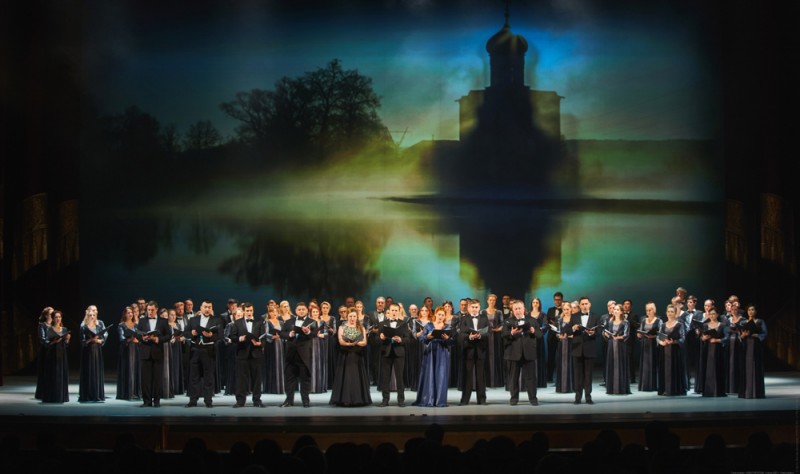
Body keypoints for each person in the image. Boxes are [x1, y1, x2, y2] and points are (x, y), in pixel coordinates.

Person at [503, 299, 543, 406]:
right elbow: (503, 336)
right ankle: (514, 399)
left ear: (524, 309)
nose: (518, 311)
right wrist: (512, 333)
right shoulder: (508, 321)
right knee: (513, 378)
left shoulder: (532, 320)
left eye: (519, 308)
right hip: (513, 353)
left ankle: (533, 399)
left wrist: (533, 331)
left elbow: (540, 335)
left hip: (529, 353)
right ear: (512, 310)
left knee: (531, 378)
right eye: (515, 309)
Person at [329, 307, 371, 407]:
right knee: (346, 377)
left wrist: (356, 342)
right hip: (345, 355)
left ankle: (358, 399)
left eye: (354, 316)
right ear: (347, 317)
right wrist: (349, 344)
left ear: (357, 317)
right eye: (350, 316)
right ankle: (344, 399)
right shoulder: (342, 327)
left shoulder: (361, 327)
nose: (352, 318)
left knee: (357, 377)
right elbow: (341, 341)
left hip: (357, 355)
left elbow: (364, 342)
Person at [414, 306, 454, 407]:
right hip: (430, 352)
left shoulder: (447, 327)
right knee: (429, 375)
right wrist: (427, 337)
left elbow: (452, 342)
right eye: (439, 314)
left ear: (445, 316)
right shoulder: (429, 325)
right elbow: (421, 338)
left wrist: (447, 338)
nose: (440, 316)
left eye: (443, 315)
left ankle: (439, 400)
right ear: (435, 314)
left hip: (442, 352)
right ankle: (429, 399)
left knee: (440, 375)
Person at [186, 299, 223, 408]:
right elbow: (185, 333)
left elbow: (220, 336)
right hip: (195, 350)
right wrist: (191, 333)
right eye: (205, 307)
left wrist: (211, 335)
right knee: (194, 377)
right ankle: (193, 400)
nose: (207, 309)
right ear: (201, 308)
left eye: (209, 307)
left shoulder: (216, 320)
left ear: (211, 308)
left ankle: (208, 400)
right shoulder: (193, 320)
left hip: (208, 351)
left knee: (209, 377)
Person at [229, 302, 266, 408]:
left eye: (251, 310)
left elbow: (263, 338)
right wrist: (241, 338)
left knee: (257, 379)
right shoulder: (237, 322)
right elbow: (233, 337)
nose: (249, 312)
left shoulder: (259, 323)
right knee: (241, 379)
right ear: (244, 311)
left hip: (256, 354)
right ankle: (240, 401)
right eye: (247, 310)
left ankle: (257, 400)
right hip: (242, 354)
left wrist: (260, 343)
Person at [281, 302, 316, 407]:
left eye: (303, 309)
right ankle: (289, 400)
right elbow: (282, 333)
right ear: (296, 311)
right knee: (289, 378)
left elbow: (314, 335)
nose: (301, 311)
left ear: (307, 311)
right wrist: (289, 334)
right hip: (291, 354)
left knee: (305, 379)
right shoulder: (288, 321)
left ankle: (305, 401)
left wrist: (307, 332)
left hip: (304, 355)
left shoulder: (312, 322)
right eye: (299, 309)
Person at [566, 296, 599, 404]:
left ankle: (588, 397)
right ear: (579, 306)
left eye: (586, 304)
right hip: (577, 349)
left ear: (590, 305)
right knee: (577, 375)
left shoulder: (595, 316)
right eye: (582, 304)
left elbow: (599, 330)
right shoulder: (574, 316)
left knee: (588, 375)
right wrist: (573, 328)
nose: (584, 306)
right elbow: (568, 330)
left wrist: (594, 333)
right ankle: (577, 397)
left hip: (589, 348)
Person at [136, 301, 169, 407]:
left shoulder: (163, 321)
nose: (150, 312)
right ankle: (147, 401)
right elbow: (137, 334)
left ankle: (157, 401)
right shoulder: (141, 321)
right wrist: (142, 338)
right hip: (145, 353)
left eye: (152, 310)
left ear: (156, 310)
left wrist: (158, 339)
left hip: (157, 352)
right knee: (145, 379)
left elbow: (168, 336)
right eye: (148, 310)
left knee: (157, 378)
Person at [377, 303, 410, 407]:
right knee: (385, 378)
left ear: (399, 311)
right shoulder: (382, 323)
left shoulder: (403, 324)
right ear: (389, 311)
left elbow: (408, 339)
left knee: (400, 378)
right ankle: (385, 400)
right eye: (392, 310)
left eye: (396, 310)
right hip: (386, 352)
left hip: (399, 352)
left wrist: (401, 340)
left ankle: (401, 400)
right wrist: (381, 338)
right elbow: (376, 339)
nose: (394, 312)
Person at [458, 299, 489, 405]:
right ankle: (465, 400)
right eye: (472, 307)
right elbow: (461, 334)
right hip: (469, 350)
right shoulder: (464, 319)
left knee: (480, 375)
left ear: (479, 307)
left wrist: (480, 335)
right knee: (467, 375)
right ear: (469, 307)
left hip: (481, 349)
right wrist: (469, 337)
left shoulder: (484, 319)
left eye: (476, 307)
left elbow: (488, 333)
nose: (474, 309)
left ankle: (482, 399)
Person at [78, 305, 108, 403]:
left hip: (97, 351)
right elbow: (82, 342)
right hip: (87, 351)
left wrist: (98, 341)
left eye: (94, 315)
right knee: (88, 371)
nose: (92, 316)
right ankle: (87, 394)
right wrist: (91, 339)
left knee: (96, 371)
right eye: (90, 315)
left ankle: (97, 394)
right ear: (87, 315)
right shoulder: (83, 326)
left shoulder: (99, 325)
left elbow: (103, 338)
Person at [41, 310, 71, 403]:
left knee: (61, 373)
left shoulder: (64, 329)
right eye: (56, 317)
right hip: (52, 354)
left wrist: (67, 340)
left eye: (59, 317)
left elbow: (66, 344)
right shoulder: (49, 329)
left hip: (62, 354)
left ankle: (61, 396)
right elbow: (46, 342)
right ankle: (52, 396)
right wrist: (54, 341)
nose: (58, 319)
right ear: (53, 318)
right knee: (53, 374)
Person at [738, 304, 767, 399]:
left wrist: (757, 335)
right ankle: (745, 392)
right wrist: (742, 336)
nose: (751, 311)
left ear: (756, 311)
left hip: (756, 347)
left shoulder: (760, 321)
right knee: (745, 367)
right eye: (749, 310)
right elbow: (740, 335)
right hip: (745, 347)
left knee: (756, 367)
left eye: (752, 310)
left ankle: (756, 392)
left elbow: (765, 333)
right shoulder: (743, 322)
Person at [658, 304, 687, 396]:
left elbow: (682, 338)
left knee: (674, 369)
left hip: (675, 352)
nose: (670, 313)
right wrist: (661, 342)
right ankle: (665, 389)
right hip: (664, 351)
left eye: (672, 312)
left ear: (675, 313)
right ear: (666, 313)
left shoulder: (679, 325)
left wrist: (674, 342)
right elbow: (658, 337)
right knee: (664, 369)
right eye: (668, 312)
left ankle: (675, 389)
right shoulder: (663, 325)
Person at [699, 308, 728, 397]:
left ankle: (718, 391)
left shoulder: (722, 325)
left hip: (718, 350)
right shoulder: (705, 325)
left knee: (717, 368)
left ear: (717, 315)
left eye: (713, 314)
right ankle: (708, 390)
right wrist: (703, 338)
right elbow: (701, 337)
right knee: (707, 368)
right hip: (707, 349)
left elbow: (726, 338)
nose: (712, 315)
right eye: (710, 314)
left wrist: (717, 340)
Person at [603, 304, 631, 395]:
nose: (615, 311)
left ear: (621, 311)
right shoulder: (610, 321)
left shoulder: (625, 322)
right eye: (614, 309)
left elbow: (626, 334)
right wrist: (606, 334)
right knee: (611, 364)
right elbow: (605, 331)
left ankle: (621, 388)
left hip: (621, 346)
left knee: (621, 365)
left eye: (617, 309)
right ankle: (611, 388)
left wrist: (619, 337)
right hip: (611, 346)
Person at [116, 306, 142, 400]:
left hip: (136, 349)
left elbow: (140, 338)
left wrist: (138, 339)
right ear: (125, 314)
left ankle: (135, 392)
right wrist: (130, 339)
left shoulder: (136, 325)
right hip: (126, 350)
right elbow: (121, 338)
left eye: (131, 312)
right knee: (127, 370)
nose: (130, 314)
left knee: (135, 369)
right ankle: (126, 393)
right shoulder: (121, 325)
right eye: (128, 312)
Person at [637, 301, 662, 392]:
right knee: (645, 365)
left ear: (654, 310)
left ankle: (654, 385)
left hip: (654, 346)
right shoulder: (643, 321)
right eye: (647, 310)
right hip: (645, 345)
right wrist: (639, 335)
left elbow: (661, 335)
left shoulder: (659, 321)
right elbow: (641, 331)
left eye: (650, 310)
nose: (648, 312)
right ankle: (645, 385)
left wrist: (654, 336)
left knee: (653, 364)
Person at [482, 293, 505, 389]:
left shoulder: (499, 312)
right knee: (486, 357)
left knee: (497, 356)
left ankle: (497, 381)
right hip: (486, 337)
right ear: (487, 301)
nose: (492, 301)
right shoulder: (482, 312)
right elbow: (480, 324)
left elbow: (503, 324)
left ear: (495, 301)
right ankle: (486, 381)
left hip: (496, 337)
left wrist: (498, 329)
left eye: (493, 300)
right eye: (490, 300)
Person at [262, 305, 286, 395]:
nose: (274, 313)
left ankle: (280, 386)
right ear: (269, 313)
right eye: (272, 312)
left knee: (280, 363)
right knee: (273, 364)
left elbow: (284, 332)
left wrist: (281, 336)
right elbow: (265, 333)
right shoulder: (267, 322)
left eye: (276, 312)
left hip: (280, 344)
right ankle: (272, 387)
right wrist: (273, 336)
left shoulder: (281, 322)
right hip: (271, 345)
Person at [552, 301, 573, 394]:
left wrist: (569, 336)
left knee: (570, 363)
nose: (566, 311)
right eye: (564, 309)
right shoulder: (560, 319)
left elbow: (576, 333)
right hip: (561, 344)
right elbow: (557, 332)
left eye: (568, 309)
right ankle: (561, 387)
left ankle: (571, 386)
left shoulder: (574, 319)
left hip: (571, 344)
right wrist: (559, 336)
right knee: (561, 363)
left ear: (571, 309)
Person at [726, 304, 747, 394]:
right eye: (732, 309)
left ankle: (739, 387)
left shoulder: (743, 320)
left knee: (739, 364)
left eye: (735, 309)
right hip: (729, 345)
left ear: (738, 310)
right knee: (730, 365)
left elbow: (744, 331)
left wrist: (735, 331)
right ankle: (730, 388)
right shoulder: (728, 320)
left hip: (739, 344)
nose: (734, 311)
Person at [308, 303, 328, 394]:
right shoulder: (308, 322)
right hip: (311, 344)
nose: (315, 313)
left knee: (321, 363)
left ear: (319, 312)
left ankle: (320, 386)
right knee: (312, 364)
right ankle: (312, 387)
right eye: (313, 312)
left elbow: (327, 333)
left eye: (316, 311)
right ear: (311, 313)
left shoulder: (323, 322)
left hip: (320, 344)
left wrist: (320, 335)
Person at [529, 297, 548, 388]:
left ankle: (539, 381)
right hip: (529, 339)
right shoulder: (528, 314)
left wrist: (539, 330)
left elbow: (546, 326)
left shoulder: (543, 314)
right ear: (531, 304)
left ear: (539, 304)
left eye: (537, 302)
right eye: (534, 302)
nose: (535, 304)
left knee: (539, 358)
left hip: (539, 339)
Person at [367, 296, 387, 386]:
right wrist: (373, 331)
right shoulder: (370, 313)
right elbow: (368, 327)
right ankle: (375, 380)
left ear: (385, 304)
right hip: (374, 341)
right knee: (374, 361)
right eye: (378, 302)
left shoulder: (388, 313)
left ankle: (384, 380)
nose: (380, 304)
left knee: (385, 361)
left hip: (386, 341)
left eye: (382, 303)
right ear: (376, 303)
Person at [545, 292, 564, 383]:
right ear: (554, 300)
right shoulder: (550, 309)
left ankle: (561, 377)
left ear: (562, 300)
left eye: (559, 299)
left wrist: (554, 323)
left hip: (561, 336)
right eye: (556, 300)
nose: (557, 301)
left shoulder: (565, 309)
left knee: (561, 357)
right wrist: (554, 323)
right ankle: (549, 377)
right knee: (551, 357)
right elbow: (548, 321)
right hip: (551, 336)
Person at [405, 303, 422, 391]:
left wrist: (420, 334)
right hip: (410, 345)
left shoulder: (420, 321)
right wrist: (415, 334)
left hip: (419, 345)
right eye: (412, 309)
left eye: (415, 309)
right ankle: (412, 384)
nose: (414, 310)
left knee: (419, 363)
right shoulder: (406, 322)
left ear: (417, 310)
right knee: (411, 364)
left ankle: (419, 383)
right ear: (409, 310)